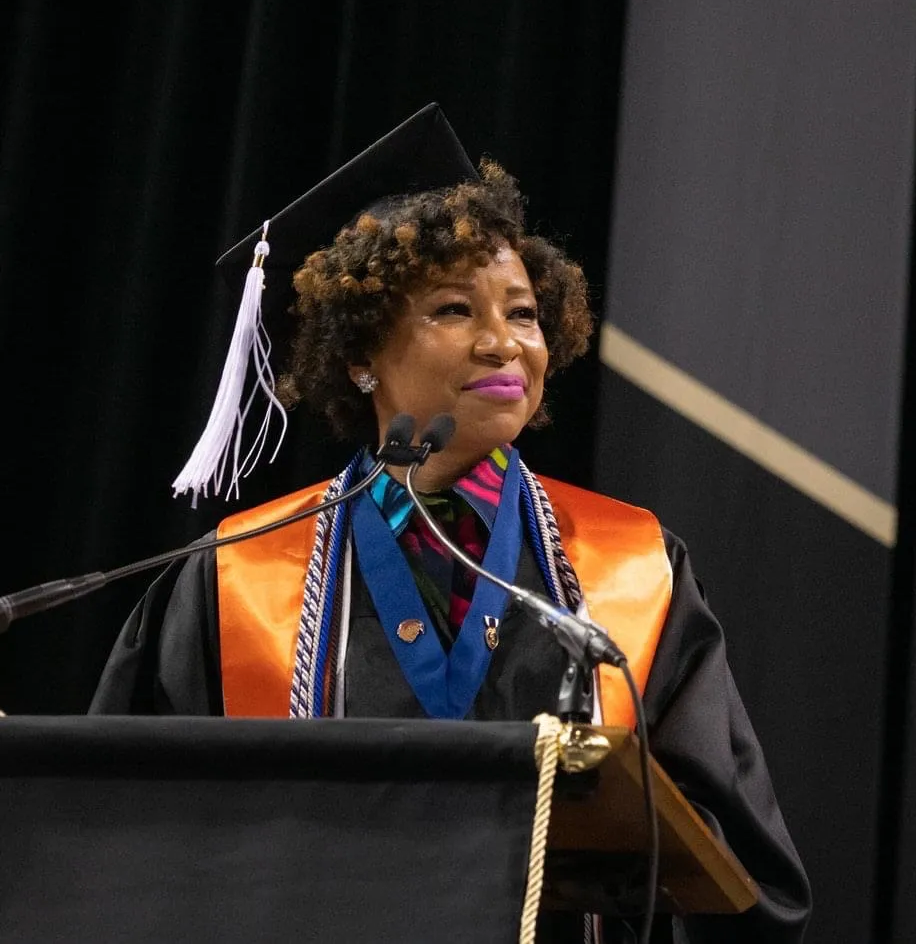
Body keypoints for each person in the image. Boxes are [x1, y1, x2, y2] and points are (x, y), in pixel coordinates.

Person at [92, 107, 810, 943]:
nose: (505, 343)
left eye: (525, 313)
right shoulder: (241, 575)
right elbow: (135, 838)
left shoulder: (634, 569)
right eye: (455, 310)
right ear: (361, 353)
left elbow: (740, 879)